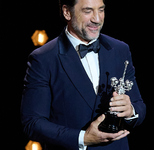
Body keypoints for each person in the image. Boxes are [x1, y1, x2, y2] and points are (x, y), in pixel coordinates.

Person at [21, 0, 146, 149]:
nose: (97, 19)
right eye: (88, 11)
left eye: (101, 10)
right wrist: (83, 138)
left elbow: (140, 107)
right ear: (67, 12)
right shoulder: (43, 58)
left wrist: (130, 110)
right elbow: (32, 123)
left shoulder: (120, 50)